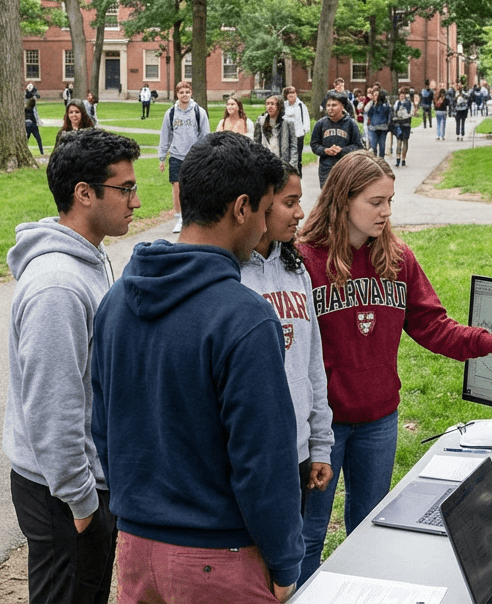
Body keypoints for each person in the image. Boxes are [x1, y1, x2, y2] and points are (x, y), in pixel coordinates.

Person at [296, 151, 492, 584]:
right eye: (376, 202)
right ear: (343, 199)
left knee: (369, 530)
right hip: (322, 427)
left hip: (379, 420)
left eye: (390, 201)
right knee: (309, 534)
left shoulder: (397, 258)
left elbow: (433, 326)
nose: (387, 212)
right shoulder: (303, 261)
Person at [91, 133, 302, 603]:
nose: (267, 228)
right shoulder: (245, 317)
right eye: (267, 211)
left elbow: (103, 428)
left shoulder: (116, 301)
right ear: (242, 208)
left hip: (135, 550)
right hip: (218, 557)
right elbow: (264, 461)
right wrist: (286, 561)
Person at [5, 128, 142, 604]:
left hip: (79, 484)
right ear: (84, 193)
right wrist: (83, 503)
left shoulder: (89, 259)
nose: (136, 201)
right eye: (125, 189)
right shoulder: (59, 286)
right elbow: (52, 407)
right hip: (62, 493)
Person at [239, 162, 334, 519]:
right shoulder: (232, 272)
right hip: (252, 458)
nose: (300, 213)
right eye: (290, 202)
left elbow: (311, 363)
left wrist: (320, 444)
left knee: (288, 563)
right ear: (261, 205)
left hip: (297, 451)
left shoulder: (296, 269)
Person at [157, 80, 209, 234]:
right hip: (176, 156)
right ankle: (180, 217)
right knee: (177, 187)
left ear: (191, 93)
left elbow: (205, 135)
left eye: (187, 92)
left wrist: (203, 155)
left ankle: (195, 215)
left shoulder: (199, 112)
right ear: (177, 94)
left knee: (194, 187)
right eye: (181, 92)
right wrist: (162, 158)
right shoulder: (171, 113)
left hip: (194, 156)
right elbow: (165, 136)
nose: (184, 95)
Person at [308, 91, 362, 187]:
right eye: (328, 105)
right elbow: (314, 145)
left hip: (345, 167)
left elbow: (358, 146)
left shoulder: (351, 124)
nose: (330, 108)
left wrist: (342, 150)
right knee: (327, 196)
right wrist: (325, 150)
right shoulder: (320, 124)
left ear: (342, 107)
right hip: (326, 168)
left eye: (334, 105)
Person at [255, 94, 297, 167]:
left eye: (273, 104)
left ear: (279, 106)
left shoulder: (287, 123)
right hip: (265, 164)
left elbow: (293, 145)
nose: (270, 106)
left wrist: (292, 164)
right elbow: (256, 143)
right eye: (268, 104)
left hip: (282, 163)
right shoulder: (261, 121)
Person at [283, 87, 311, 175]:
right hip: (286, 135)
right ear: (286, 95)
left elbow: (306, 120)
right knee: (286, 157)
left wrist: (303, 130)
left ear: (296, 94)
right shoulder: (284, 105)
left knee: (298, 158)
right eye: (289, 93)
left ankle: (298, 176)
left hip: (298, 135)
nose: (291, 95)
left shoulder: (301, 106)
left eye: (293, 92)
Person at [363, 87, 391, 158]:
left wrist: (388, 125)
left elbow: (387, 113)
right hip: (373, 128)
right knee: (373, 146)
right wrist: (372, 102)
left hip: (383, 128)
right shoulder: (371, 104)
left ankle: (382, 161)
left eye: (377, 95)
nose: (375, 97)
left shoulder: (384, 105)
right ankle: (375, 161)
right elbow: (365, 110)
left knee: (382, 146)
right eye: (374, 95)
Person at [390, 87, 415, 168]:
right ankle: (398, 158)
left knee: (405, 141)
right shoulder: (397, 103)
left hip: (406, 123)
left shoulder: (409, 103)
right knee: (399, 142)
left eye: (403, 95)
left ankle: (403, 158)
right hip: (399, 124)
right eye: (400, 95)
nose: (401, 97)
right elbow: (394, 111)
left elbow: (412, 113)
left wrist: (406, 116)